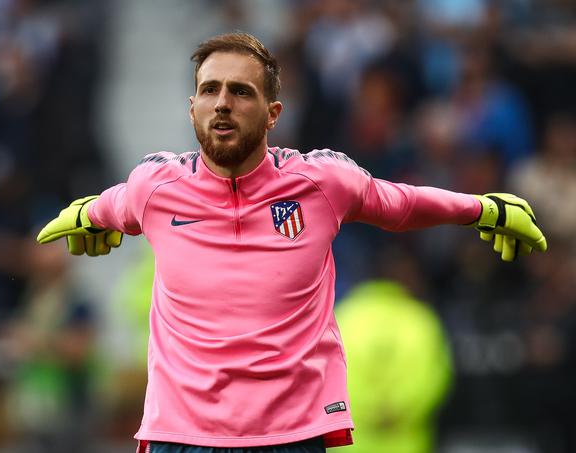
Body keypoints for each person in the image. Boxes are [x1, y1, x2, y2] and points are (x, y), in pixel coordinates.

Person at [36, 33, 546, 452]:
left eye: (241, 91)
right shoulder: (155, 188)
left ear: (273, 112)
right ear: (193, 107)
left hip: (290, 437)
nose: (222, 104)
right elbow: (107, 207)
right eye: (210, 90)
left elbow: (401, 204)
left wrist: (483, 208)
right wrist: (86, 215)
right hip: (180, 436)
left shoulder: (321, 183)